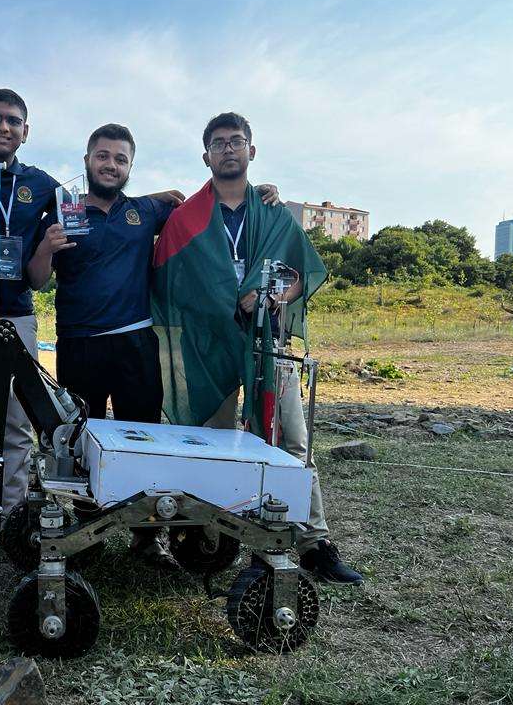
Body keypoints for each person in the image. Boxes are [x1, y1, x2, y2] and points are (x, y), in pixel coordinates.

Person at [0, 91, 183, 534]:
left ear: (26, 132)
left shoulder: (48, 189)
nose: (4, 127)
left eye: (13, 121)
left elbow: (39, 275)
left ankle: (15, 525)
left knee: (19, 426)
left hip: (20, 316)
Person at [27, 123, 281, 569]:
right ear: (87, 161)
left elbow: (205, 213)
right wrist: (46, 249)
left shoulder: (146, 211)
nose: (111, 165)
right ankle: (87, 533)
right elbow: (35, 279)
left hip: (136, 343)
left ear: (130, 167)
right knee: (80, 442)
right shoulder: (60, 214)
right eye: (103, 156)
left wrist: (251, 194)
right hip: (78, 344)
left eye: (120, 159)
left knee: (145, 441)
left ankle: (148, 539)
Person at [151, 112, 363, 584]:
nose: (229, 149)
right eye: (219, 143)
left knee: (291, 438)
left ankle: (313, 541)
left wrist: (273, 297)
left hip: (270, 343)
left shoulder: (273, 211)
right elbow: (168, 282)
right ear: (206, 155)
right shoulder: (185, 218)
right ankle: (207, 536)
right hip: (210, 350)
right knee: (213, 441)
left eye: (237, 141)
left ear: (252, 150)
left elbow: (295, 276)